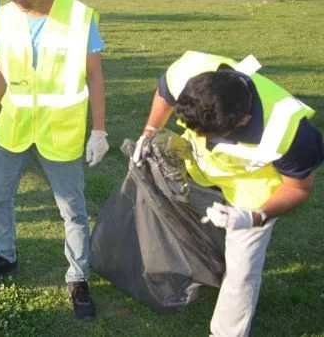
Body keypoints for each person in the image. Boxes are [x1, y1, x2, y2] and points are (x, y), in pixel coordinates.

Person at [131, 51, 322, 337]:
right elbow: (165, 93)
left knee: (242, 271)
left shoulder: (290, 131)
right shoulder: (190, 71)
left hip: (253, 191)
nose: (204, 138)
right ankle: (203, 262)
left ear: (244, 120)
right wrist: (150, 130)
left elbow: (299, 187)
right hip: (199, 169)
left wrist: (253, 217)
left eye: (211, 134)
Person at [0, 0, 108, 322]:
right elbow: (1, 71)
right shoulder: (5, 15)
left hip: (59, 129)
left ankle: (78, 278)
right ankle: (4, 254)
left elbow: (95, 77)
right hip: (14, 125)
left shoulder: (79, 18)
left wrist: (99, 130)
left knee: (73, 211)